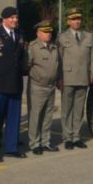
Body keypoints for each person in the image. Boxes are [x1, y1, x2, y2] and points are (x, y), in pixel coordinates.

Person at [0, 7, 27, 162]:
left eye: (16, 17)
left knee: (14, 118)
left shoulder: (20, 35)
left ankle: (12, 147)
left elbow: (22, 58)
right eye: (12, 18)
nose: (15, 20)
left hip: (15, 83)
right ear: (4, 19)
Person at [58, 8, 93, 150]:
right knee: (67, 109)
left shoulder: (88, 36)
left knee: (79, 109)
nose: (77, 21)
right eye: (74, 19)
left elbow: (92, 57)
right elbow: (59, 59)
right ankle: (67, 137)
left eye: (78, 19)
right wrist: (59, 78)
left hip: (83, 77)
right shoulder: (62, 37)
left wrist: (92, 74)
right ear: (68, 21)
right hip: (67, 77)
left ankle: (76, 137)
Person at [27, 20, 61, 155]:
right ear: (38, 33)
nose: (48, 34)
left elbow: (57, 65)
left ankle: (45, 142)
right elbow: (27, 65)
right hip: (37, 86)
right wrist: (37, 77)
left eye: (50, 32)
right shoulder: (33, 47)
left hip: (51, 86)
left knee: (47, 116)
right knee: (35, 116)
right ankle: (34, 143)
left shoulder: (54, 47)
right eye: (45, 32)